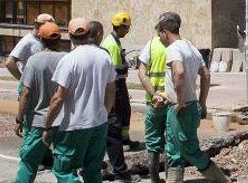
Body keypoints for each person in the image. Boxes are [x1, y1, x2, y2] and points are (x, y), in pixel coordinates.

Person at [42, 18, 120, 183]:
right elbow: (111, 90)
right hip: (98, 123)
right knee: (92, 171)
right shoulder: (104, 57)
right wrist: (104, 113)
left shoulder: (69, 60)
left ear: (69, 35)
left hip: (74, 125)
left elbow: (58, 98)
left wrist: (47, 126)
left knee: (64, 170)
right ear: (88, 34)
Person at [158, 12, 227, 183]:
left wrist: (180, 101)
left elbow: (179, 72)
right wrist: (202, 103)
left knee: (189, 150)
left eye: (159, 33)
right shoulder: (190, 47)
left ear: (165, 31)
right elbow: (206, 75)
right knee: (174, 150)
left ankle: (220, 180)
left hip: (181, 108)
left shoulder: (173, 49)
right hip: (191, 105)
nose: (159, 37)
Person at [14, 22, 66, 183]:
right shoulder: (67, 59)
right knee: (64, 167)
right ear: (59, 39)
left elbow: (26, 92)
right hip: (63, 121)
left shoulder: (33, 61)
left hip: (38, 121)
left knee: (29, 163)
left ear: (40, 39)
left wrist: (19, 119)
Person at [100, 11, 140, 180]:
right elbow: (115, 70)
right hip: (116, 85)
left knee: (125, 113)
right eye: (127, 28)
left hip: (118, 83)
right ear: (121, 26)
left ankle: (125, 140)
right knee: (118, 116)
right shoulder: (112, 45)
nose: (128, 31)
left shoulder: (114, 42)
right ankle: (120, 145)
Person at [137, 14, 169, 183]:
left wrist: (154, 94)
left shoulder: (151, 45)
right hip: (172, 102)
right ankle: (172, 178)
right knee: (172, 140)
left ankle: (155, 178)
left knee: (153, 141)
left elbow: (142, 72)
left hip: (155, 102)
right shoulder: (181, 44)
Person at [6, 13, 56, 92]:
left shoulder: (43, 40)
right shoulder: (27, 41)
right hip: (31, 89)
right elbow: (9, 63)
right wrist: (24, 81)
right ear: (40, 25)